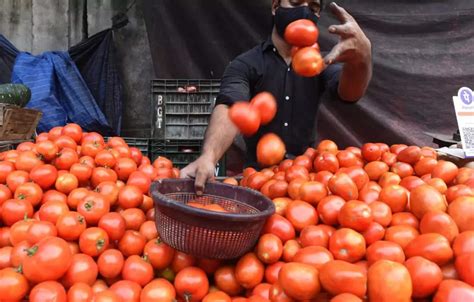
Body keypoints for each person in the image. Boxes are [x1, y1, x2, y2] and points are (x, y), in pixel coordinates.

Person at [181, 0, 372, 194]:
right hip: (258, 182)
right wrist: (209, 156)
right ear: (275, 6)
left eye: (313, 8)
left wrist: (362, 60)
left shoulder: (320, 63)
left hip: (305, 182)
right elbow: (231, 107)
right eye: (296, 2)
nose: (305, 11)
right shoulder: (246, 64)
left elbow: (349, 94)